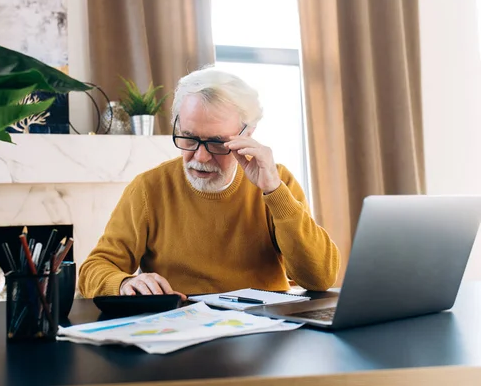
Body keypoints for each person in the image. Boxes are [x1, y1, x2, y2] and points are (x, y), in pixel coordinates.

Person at [78, 67, 340, 298]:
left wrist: (274, 191)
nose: (201, 157)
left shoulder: (276, 182)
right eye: (189, 138)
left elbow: (320, 277)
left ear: (247, 134)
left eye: (217, 142)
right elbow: (93, 270)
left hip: (265, 332)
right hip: (181, 331)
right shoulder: (148, 189)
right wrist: (124, 282)